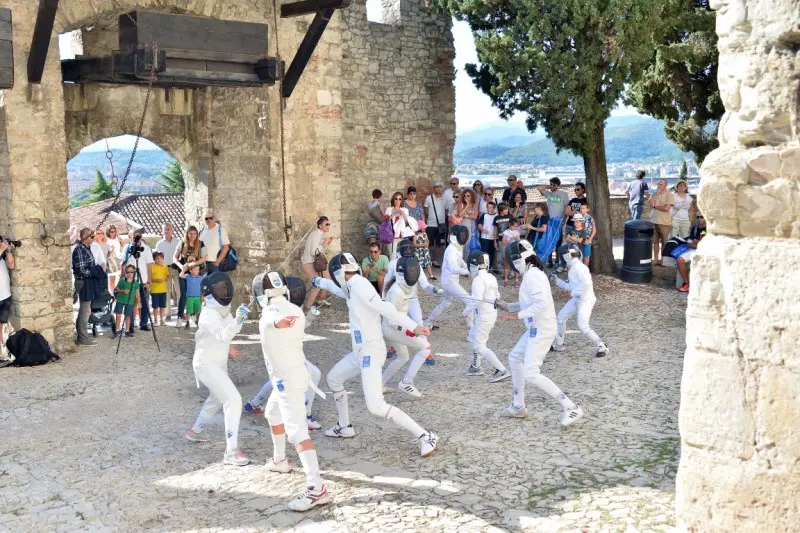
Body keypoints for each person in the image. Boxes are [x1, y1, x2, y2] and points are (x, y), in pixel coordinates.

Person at [313, 253, 439, 456]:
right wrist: (318, 280)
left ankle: (425, 436)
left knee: (376, 406)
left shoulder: (361, 286)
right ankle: (344, 427)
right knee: (334, 379)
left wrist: (414, 327)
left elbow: (386, 308)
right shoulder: (350, 285)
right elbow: (337, 289)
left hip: (371, 351)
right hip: (359, 351)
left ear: (339, 272)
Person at [254, 271, 331, 511]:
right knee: (272, 413)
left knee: (297, 433)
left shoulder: (269, 314)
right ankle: (280, 460)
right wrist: (280, 322)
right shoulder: (296, 310)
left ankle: (316, 488)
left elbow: (270, 322)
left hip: (288, 379)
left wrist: (277, 323)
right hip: (292, 375)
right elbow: (277, 321)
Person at [495, 240, 584, 425]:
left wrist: (518, 315)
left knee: (531, 373)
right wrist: (508, 306)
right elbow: (531, 302)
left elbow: (541, 304)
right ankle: (518, 406)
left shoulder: (533, 276)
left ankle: (571, 407)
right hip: (535, 328)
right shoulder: (533, 273)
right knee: (514, 358)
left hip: (542, 329)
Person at [185, 273, 250, 467]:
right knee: (233, 399)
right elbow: (223, 334)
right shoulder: (207, 314)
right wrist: (238, 320)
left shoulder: (224, 311)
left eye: (225, 287)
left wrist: (236, 325)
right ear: (210, 293)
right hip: (205, 364)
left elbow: (227, 331)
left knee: (216, 398)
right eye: (219, 288)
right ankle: (231, 452)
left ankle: (194, 431)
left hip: (218, 362)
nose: (224, 291)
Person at [380, 256, 435, 397]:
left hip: (393, 327)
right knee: (425, 348)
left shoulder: (401, 287)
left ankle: (379, 385)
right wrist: (412, 331)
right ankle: (406, 382)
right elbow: (394, 320)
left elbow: (401, 316)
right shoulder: (396, 292)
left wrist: (413, 329)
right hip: (392, 329)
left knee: (403, 357)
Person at [551, 244, 609, 357]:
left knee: (583, 326)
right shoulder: (573, 268)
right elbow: (571, 286)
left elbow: (586, 284)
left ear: (567, 256)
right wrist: (557, 281)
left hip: (586, 300)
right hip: (577, 299)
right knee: (561, 317)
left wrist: (574, 293)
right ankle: (559, 344)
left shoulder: (580, 268)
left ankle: (602, 346)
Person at [465, 250, 511, 382]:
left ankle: (501, 370)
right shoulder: (491, 277)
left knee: (480, 346)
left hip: (484, 317)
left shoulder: (478, 280)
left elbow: (477, 299)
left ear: (473, 264)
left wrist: (467, 310)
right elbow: (498, 296)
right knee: (474, 336)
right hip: (491, 313)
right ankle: (475, 367)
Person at [423, 225, 474, 335]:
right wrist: (466, 272)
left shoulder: (458, 247)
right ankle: (471, 331)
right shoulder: (451, 250)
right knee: (469, 301)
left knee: (445, 303)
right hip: (449, 282)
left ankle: (427, 322)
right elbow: (453, 268)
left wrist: (468, 268)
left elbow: (460, 262)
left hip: (451, 281)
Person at [72, 228, 106, 346]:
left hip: (88, 282)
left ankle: (81, 335)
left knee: (85, 310)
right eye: (92, 236)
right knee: (85, 311)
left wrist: (94, 270)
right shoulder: (79, 250)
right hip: (83, 282)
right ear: (85, 237)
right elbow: (81, 270)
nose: (93, 238)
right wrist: (95, 272)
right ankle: (83, 338)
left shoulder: (87, 248)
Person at [121, 229, 154, 333]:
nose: (137, 238)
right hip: (130, 280)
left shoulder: (146, 248)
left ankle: (143, 323)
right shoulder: (127, 248)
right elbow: (123, 264)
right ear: (130, 237)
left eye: (138, 236)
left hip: (143, 279)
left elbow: (149, 265)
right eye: (135, 236)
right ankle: (129, 325)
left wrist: (149, 281)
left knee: (144, 302)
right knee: (130, 302)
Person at [173, 226, 207, 327]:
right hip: (184, 273)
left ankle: (195, 317)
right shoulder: (182, 243)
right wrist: (182, 266)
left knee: (196, 295)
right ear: (187, 234)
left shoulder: (201, 244)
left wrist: (192, 264)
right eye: (190, 233)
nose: (192, 236)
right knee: (183, 295)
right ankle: (180, 317)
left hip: (196, 272)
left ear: (197, 234)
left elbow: (205, 258)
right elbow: (174, 257)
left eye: (194, 233)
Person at [301, 216, 335, 313]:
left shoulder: (319, 234)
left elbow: (317, 246)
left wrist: (326, 242)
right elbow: (314, 251)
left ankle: (320, 298)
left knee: (328, 278)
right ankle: (307, 309)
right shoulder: (316, 234)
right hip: (309, 263)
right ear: (320, 226)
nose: (328, 226)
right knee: (317, 284)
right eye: (326, 224)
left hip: (315, 262)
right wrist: (325, 243)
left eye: (329, 224)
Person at [537, 177, 571, 270]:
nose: (552, 186)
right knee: (548, 240)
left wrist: (564, 219)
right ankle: (550, 261)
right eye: (551, 184)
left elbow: (566, 207)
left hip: (558, 220)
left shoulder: (563, 194)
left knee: (558, 242)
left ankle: (557, 261)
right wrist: (549, 186)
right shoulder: (548, 193)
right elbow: (539, 188)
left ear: (558, 185)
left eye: (554, 185)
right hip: (550, 220)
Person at [156, 223, 181, 321]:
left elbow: (180, 256)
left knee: (179, 292)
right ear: (162, 231)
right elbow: (158, 260)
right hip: (165, 270)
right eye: (165, 229)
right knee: (167, 292)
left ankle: (180, 312)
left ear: (172, 230)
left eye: (168, 229)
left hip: (177, 269)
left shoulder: (178, 242)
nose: (167, 231)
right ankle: (168, 314)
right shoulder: (159, 244)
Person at [677, 214, 707, 293]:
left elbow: (708, 243)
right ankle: (687, 283)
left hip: (706, 251)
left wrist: (697, 242)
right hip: (694, 249)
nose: (699, 219)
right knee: (680, 259)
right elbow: (689, 241)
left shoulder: (710, 229)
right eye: (698, 217)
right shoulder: (695, 228)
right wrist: (697, 243)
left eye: (701, 217)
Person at [647, 179, 674, 266]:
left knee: (664, 242)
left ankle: (663, 260)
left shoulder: (669, 195)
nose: (659, 186)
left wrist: (655, 206)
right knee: (655, 242)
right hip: (653, 221)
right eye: (658, 184)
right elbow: (649, 203)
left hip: (664, 222)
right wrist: (655, 195)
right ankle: (655, 259)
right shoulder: (655, 194)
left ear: (666, 185)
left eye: (661, 184)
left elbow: (666, 208)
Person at [385, 192, 418, 259]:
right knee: (392, 257)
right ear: (393, 199)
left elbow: (407, 224)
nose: (398, 201)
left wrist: (404, 216)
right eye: (396, 199)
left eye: (400, 199)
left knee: (402, 256)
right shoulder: (389, 209)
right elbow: (385, 222)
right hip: (391, 237)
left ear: (402, 200)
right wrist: (392, 214)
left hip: (402, 237)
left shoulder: (405, 210)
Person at [198, 209, 230, 275]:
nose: (209, 220)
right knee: (204, 284)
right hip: (202, 263)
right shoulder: (202, 229)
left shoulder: (220, 229)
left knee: (215, 284)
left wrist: (218, 262)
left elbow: (226, 247)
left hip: (215, 264)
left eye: (211, 218)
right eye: (206, 218)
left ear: (214, 218)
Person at [423, 181, 446, 267]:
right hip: (431, 225)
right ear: (434, 188)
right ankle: (427, 260)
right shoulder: (429, 198)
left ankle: (435, 260)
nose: (438, 188)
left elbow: (447, 210)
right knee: (429, 243)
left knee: (439, 244)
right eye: (436, 187)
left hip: (441, 225)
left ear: (442, 188)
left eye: (440, 187)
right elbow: (425, 209)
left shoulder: (445, 198)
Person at [0, 237, 16, 360]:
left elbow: (11, 265)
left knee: (1, 324)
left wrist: (9, 250)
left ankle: (2, 351)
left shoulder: (2, 254)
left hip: (5, 295)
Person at [113, 266, 138, 337]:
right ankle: (117, 330)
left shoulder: (135, 282)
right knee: (118, 315)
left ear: (134, 272)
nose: (129, 273)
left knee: (128, 316)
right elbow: (116, 288)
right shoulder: (122, 280)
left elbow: (137, 293)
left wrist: (138, 302)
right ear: (125, 273)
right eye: (127, 272)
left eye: (131, 272)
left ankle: (127, 331)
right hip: (120, 300)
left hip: (130, 301)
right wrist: (123, 291)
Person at [180, 262, 205, 328]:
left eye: (198, 269)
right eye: (195, 270)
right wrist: (183, 270)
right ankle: (187, 322)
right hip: (190, 297)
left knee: (198, 310)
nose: (197, 271)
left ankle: (196, 320)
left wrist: (202, 296)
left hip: (198, 297)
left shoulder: (200, 278)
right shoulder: (188, 276)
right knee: (189, 310)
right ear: (190, 270)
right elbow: (181, 275)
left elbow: (202, 288)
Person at [457, 189, 480, 260]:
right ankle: (461, 260)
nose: (466, 197)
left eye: (468, 195)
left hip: (471, 227)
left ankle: (467, 260)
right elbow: (460, 214)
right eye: (464, 195)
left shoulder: (475, 204)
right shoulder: (461, 204)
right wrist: (466, 206)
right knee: (462, 243)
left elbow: (475, 216)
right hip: (463, 226)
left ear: (471, 196)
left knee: (469, 243)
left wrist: (466, 216)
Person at [502, 218, 524, 288]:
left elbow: (519, 241)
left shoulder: (517, 232)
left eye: (516, 226)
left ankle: (516, 280)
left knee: (516, 265)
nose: (515, 228)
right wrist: (510, 239)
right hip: (508, 250)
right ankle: (506, 280)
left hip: (515, 250)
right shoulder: (506, 232)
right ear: (509, 225)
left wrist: (517, 239)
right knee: (506, 265)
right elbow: (503, 242)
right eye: (513, 226)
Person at [477, 201, 497, 272]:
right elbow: (479, 224)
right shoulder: (484, 215)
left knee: (492, 253)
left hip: (493, 238)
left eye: (491, 207)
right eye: (488, 207)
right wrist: (482, 229)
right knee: (485, 253)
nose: (489, 209)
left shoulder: (497, 216)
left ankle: (490, 267)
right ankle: (484, 268)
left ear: (494, 208)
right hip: (484, 237)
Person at [150, 252, 169, 326]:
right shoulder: (152, 266)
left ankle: (162, 320)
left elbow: (167, 275)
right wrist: (155, 280)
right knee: (155, 306)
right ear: (154, 259)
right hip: (154, 290)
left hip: (163, 290)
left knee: (162, 306)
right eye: (157, 258)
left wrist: (165, 278)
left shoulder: (165, 266)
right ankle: (155, 320)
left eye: (161, 258)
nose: (159, 260)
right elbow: (149, 278)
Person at [493, 203, 512, 274]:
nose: (508, 210)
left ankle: (510, 272)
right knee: (504, 257)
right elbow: (495, 231)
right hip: (501, 240)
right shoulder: (496, 218)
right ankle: (506, 272)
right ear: (501, 210)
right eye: (506, 209)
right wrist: (495, 241)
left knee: (509, 256)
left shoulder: (510, 216)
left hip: (510, 239)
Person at [106, 225, 122, 293]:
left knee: (120, 278)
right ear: (108, 232)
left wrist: (118, 235)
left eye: (114, 231)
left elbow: (123, 243)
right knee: (112, 279)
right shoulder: (106, 240)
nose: (113, 233)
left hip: (119, 259)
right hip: (111, 260)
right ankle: (113, 295)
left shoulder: (117, 238)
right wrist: (110, 252)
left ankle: (118, 294)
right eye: (111, 231)